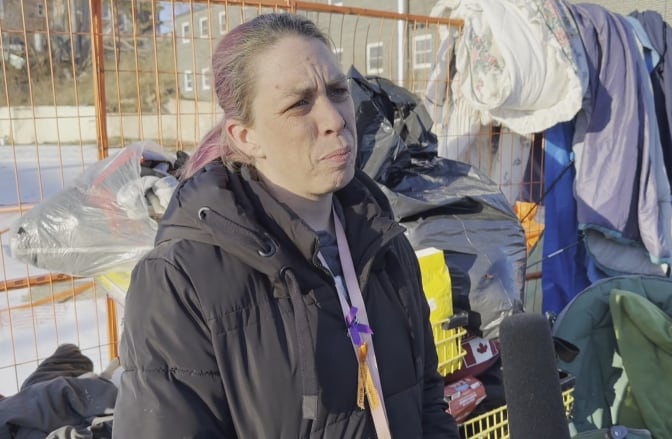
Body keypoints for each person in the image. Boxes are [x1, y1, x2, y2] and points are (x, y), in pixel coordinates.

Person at [112, 13, 459, 438]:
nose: (335, 119)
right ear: (244, 136)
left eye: (337, 91)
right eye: (299, 104)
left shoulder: (382, 239)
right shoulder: (179, 281)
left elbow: (426, 399)